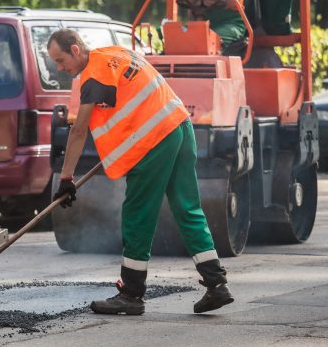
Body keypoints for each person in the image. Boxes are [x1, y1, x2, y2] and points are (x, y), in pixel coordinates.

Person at [47, 29, 233, 315]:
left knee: (137, 214)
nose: (60, 68)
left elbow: (79, 130)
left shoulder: (93, 75)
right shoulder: (117, 54)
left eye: (60, 60)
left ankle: (132, 294)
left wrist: (65, 178)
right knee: (187, 208)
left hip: (154, 140)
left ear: (75, 50)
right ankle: (216, 284)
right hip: (179, 126)